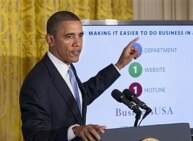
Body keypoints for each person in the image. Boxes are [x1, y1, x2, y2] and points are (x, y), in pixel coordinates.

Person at [19, 11, 139, 141]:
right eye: (69, 36)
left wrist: (120, 64)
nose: (78, 43)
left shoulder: (67, 66)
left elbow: (82, 95)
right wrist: (74, 131)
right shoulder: (36, 83)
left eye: (80, 35)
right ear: (50, 40)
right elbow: (35, 137)